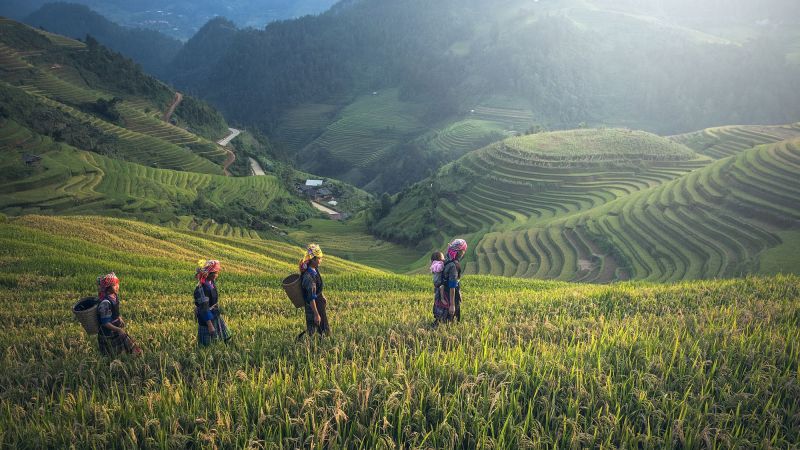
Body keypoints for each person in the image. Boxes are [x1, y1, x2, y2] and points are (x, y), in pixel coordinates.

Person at [96, 272, 142, 357]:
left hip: (115, 327)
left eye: (117, 284)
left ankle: (134, 352)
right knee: (114, 351)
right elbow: (105, 323)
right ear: (108, 288)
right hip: (108, 332)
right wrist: (118, 329)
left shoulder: (114, 296)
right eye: (114, 285)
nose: (117, 286)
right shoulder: (105, 303)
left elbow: (115, 311)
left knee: (126, 341)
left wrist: (119, 318)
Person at [194, 259, 231, 346]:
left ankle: (226, 348)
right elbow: (204, 309)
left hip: (215, 313)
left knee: (226, 337)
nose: (217, 275)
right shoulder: (202, 289)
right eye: (216, 273)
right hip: (207, 318)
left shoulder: (210, 282)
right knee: (207, 343)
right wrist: (210, 326)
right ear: (209, 274)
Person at [299, 244, 330, 338]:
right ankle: (308, 344)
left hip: (319, 303)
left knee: (323, 328)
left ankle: (322, 341)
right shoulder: (308, 277)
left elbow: (317, 288)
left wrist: (322, 296)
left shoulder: (315, 269)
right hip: (313, 307)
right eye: (319, 258)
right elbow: (311, 297)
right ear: (313, 259)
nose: (321, 260)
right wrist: (316, 314)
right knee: (313, 329)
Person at [440, 239, 468, 323]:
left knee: (442, 315)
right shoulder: (454, 266)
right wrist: (452, 305)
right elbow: (452, 285)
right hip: (450, 294)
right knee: (451, 319)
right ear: (460, 252)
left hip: (443, 291)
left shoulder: (447, 258)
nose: (464, 253)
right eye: (463, 251)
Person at [430, 251, 449, 326]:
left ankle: (438, 316)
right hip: (439, 282)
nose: (443, 259)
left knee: (437, 298)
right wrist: (445, 262)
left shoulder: (434, 264)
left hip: (436, 283)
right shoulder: (439, 264)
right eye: (443, 258)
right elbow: (441, 268)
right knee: (441, 289)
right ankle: (442, 299)